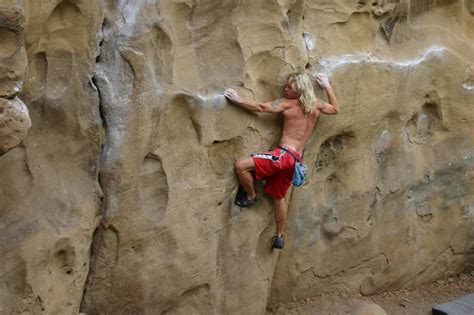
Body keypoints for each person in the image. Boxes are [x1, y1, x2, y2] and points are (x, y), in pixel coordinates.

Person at [224, 72, 340, 249]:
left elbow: (262, 107)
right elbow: (335, 109)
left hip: (283, 156)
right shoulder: (316, 105)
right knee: (279, 198)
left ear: (299, 90)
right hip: (295, 162)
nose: (285, 89)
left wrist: (238, 100)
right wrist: (326, 85)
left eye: (290, 88)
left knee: (241, 165)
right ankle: (279, 235)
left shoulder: (288, 104)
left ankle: (251, 196)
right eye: (285, 86)